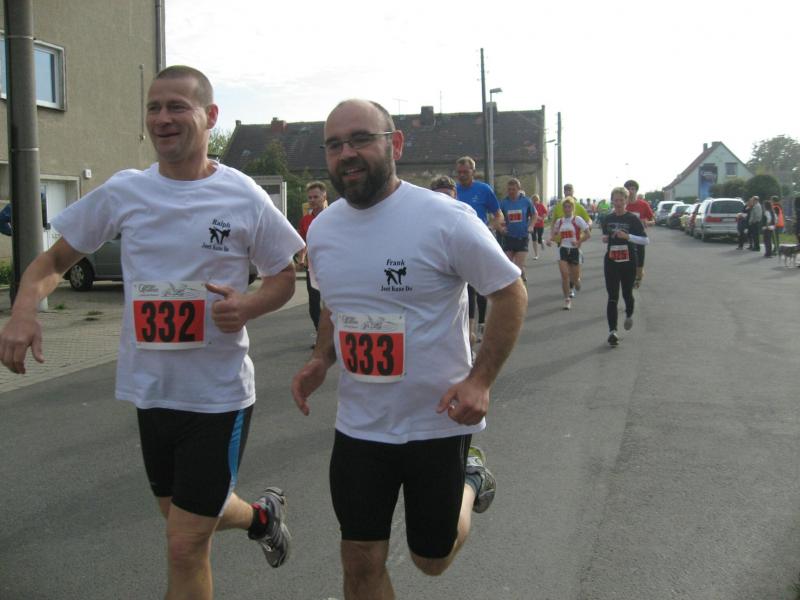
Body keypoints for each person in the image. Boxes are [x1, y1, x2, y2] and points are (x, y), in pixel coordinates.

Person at [0, 65, 305, 599]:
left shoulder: (243, 195)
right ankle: (262, 517)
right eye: (153, 107)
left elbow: (283, 274)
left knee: (185, 542)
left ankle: (253, 518)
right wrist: (24, 309)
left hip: (217, 396)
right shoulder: (127, 191)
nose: (162, 118)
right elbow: (53, 261)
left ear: (210, 116)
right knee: (184, 516)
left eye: (177, 107)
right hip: (152, 391)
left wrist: (249, 305)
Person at [291, 99, 527, 600]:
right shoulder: (325, 229)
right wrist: (320, 358)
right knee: (359, 560)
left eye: (361, 139)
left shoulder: (446, 219)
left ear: (394, 144)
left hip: (435, 423)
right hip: (360, 426)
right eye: (334, 145)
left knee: (431, 559)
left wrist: (480, 381)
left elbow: (510, 293)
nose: (346, 153)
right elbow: (334, 302)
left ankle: (470, 481)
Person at [455, 156, 504, 343]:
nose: (462, 175)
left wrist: (490, 227)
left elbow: (498, 214)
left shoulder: (483, 190)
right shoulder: (454, 191)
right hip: (459, 244)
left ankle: (482, 323)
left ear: (473, 172)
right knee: (467, 289)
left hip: (479, 243)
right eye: (459, 172)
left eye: (465, 172)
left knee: (480, 288)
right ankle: (469, 329)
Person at [602, 186, 649, 346]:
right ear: (612, 201)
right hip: (611, 261)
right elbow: (605, 235)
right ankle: (612, 331)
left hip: (628, 261)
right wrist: (605, 238)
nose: (618, 203)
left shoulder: (632, 219)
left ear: (626, 201)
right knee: (612, 296)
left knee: (627, 293)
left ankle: (629, 314)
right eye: (616, 200)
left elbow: (645, 240)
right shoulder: (607, 218)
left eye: (621, 200)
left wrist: (628, 236)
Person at [298, 181, 328, 343]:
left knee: (333, 302)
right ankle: (320, 335)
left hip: (332, 268)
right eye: (309, 197)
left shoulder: (334, 217)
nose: (312, 200)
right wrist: (301, 259)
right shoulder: (305, 220)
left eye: (316, 197)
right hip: (313, 269)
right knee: (314, 304)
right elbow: (303, 243)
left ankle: (336, 334)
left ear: (324, 196)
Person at [546, 197, 590, 310]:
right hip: (563, 250)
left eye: (569, 207)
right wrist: (549, 240)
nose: (567, 209)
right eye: (565, 207)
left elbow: (588, 234)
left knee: (575, 279)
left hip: (574, 250)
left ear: (572, 208)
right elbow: (554, 233)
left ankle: (577, 282)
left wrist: (579, 241)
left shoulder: (577, 220)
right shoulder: (559, 221)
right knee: (565, 276)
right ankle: (567, 300)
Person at [499, 178, 534, 281]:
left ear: (519, 189)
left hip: (522, 237)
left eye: (513, 189)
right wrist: (501, 228)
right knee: (508, 267)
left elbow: (534, 215)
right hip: (508, 237)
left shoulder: (526, 201)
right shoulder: (504, 203)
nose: (511, 192)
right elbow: (498, 217)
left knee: (516, 268)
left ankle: (519, 286)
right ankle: (522, 274)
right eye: (509, 189)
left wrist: (531, 225)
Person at [623, 181, 654, 288]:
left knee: (639, 263)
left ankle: (639, 276)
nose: (630, 191)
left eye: (633, 189)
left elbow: (653, 220)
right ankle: (630, 278)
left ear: (636, 191)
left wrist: (647, 223)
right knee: (628, 263)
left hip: (639, 237)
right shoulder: (623, 205)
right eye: (628, 189)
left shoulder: (643, 204)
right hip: (625, 237)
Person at [530, 194, 547, 260]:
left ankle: (541, 241)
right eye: (534, 200)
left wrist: (542, 217)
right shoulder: (531, 207)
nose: (535, 201)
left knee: (539, 239)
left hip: (540, 225)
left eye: (536, 200)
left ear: (538, 200)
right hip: (533, 225)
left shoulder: (541, 205)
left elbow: (545, 213)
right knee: (534, 239)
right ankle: (536, 254)